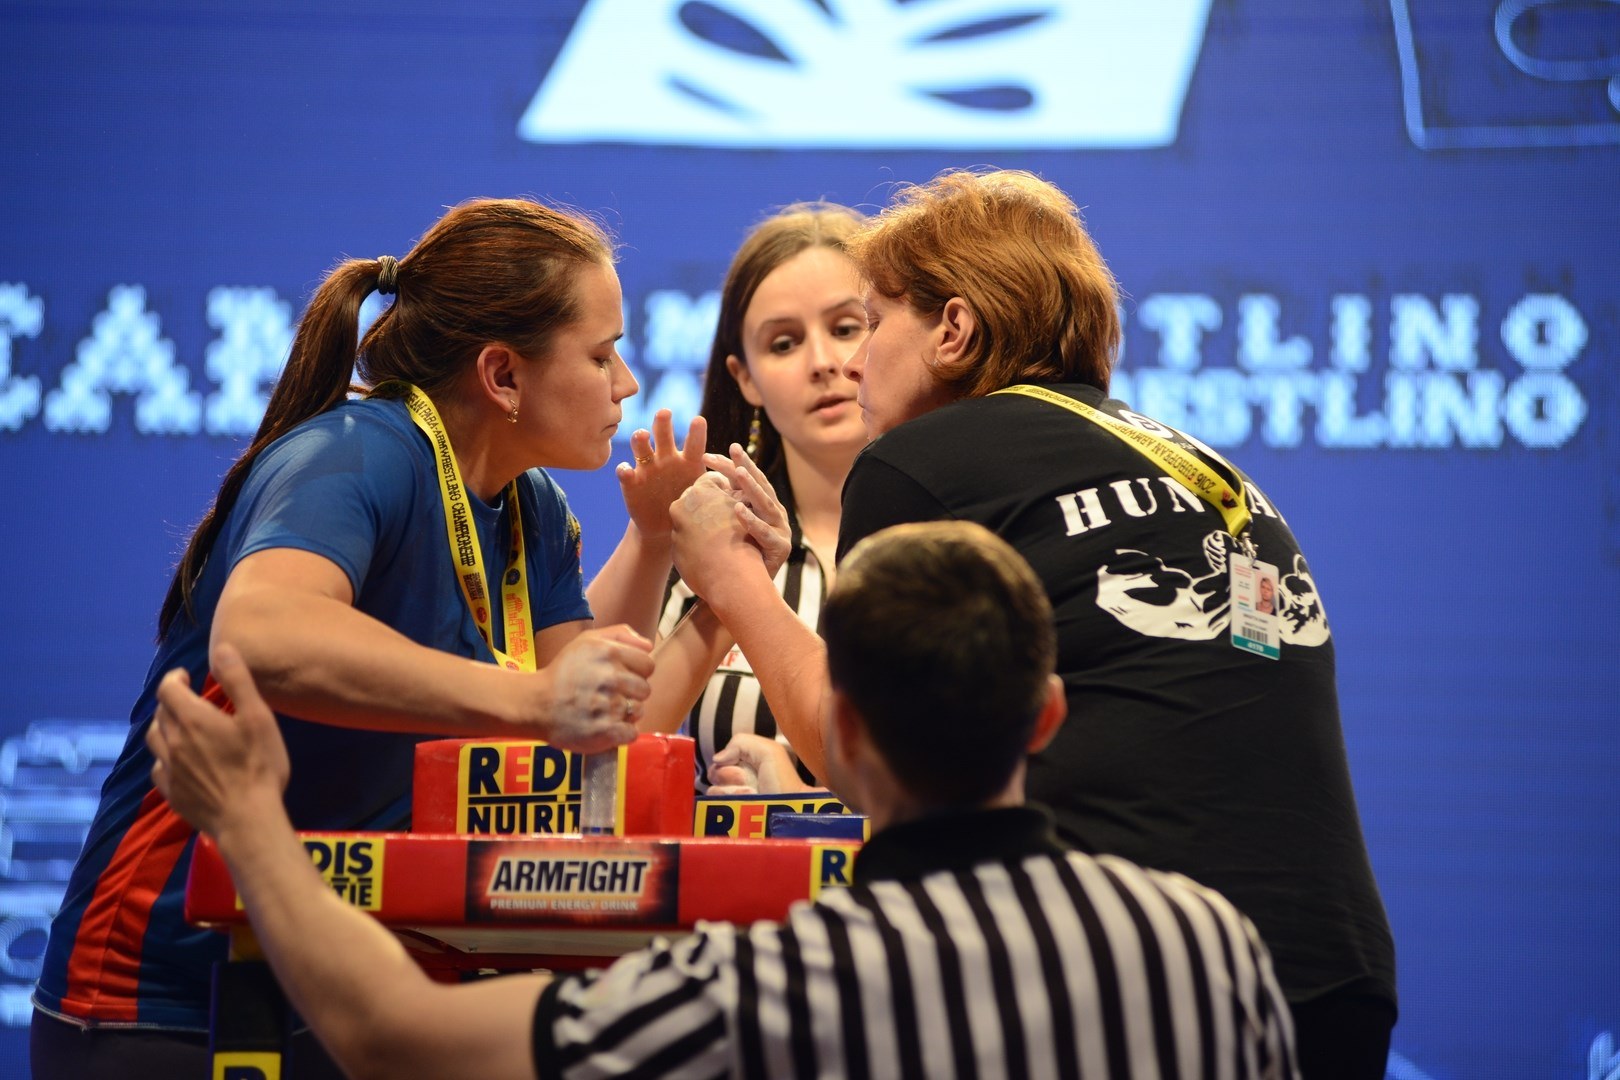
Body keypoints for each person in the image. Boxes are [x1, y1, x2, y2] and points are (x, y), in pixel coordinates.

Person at [670, 169, 1397, 1080]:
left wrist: (733, 583)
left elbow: (855, 750)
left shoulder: (921, 461)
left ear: (953, 331)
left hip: (1136, 979)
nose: (852, 364)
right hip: (1335, 981)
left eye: (873, 322)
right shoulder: (1199, 464)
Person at [146, 521, 1299, 1080]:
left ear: (842, 734)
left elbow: (394, 1036)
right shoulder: (1211, 946)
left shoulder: (765, 983)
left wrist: (249, 822)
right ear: (1046, 715)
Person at [31, 197, 711, 1077]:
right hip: (168, 995)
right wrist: (533, 698)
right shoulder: (360, 450)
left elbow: (602, 726)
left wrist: (705, 583)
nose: (627, 382)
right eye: (602, 353)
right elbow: (261, 633)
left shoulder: (531, 507)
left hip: (350, 984)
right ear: (503, 375)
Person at [637, 203, 869, 793]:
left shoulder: (965, 531)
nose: (823, 363)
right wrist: (726, 583)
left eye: (846, 329)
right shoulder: (708, 539)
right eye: (785, 343)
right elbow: (614, 753)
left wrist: (801, 801)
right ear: (745, 378)